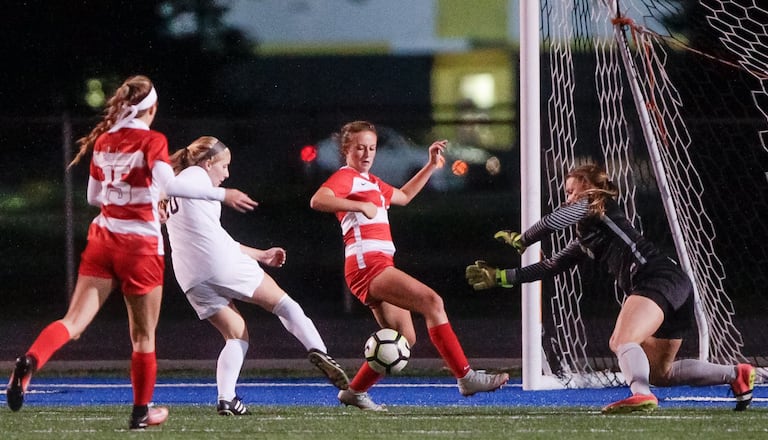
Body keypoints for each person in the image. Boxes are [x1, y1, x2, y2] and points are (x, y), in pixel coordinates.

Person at [5, 75, 257, 430]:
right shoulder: (152, 140)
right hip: (139, 246)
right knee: (142, 336)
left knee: (73, 322)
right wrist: (222, 195)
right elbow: (169, 184)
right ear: (150, 108)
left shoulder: (105, 140)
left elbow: (94, 197)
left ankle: (31, 359)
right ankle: (141, 411)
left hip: (103, 238)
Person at [465, 163, 756, 414]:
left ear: (591, 189)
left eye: (571, 191)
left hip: (656, 279)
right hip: (675, 286)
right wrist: (503, 276)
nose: (568, 198)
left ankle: (641, 394)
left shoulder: (598, 205)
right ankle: (736, 374)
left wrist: (525, 238)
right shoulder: (588, 235)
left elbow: (559, 218)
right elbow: (552, 266)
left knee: (621, 340)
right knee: (661, 372)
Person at [310, 120, 509, 411]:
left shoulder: (371, 181)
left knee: (405, 338)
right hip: (368, 266)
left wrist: (430, 165)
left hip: (374, 265)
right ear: (346, 150)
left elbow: (402, 196)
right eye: (359, 148)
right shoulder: (346, 177)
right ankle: (466, 377)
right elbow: (318, 200)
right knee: (432, 302)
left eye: (372, 148)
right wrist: (358, 206)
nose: (366, 154)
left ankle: (354, 391)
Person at [162, 136, 350, 415]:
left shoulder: (186, 189)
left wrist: (260, 254)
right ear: (208, 162)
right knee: (284, 304)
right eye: (224, 166)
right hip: (219, 262)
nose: (226, 174)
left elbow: (218, 236)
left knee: (236, 334)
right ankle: (321, 352)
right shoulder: (195, 175)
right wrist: (224, 195)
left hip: (191, 276)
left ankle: (226, 399)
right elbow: (181, 187)